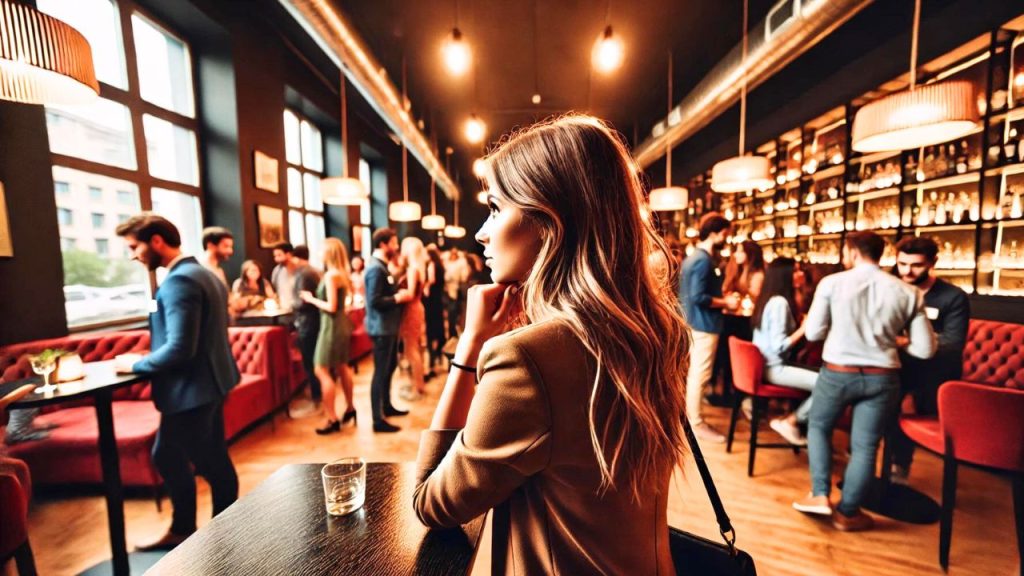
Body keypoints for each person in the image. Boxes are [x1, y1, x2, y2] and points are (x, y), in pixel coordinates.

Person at [413, 115, 689, 574]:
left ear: (549, 220)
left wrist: (470, 344)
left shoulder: (527, 359)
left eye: (497, 209)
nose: (481, 232)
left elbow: (432, 503)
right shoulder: (657, 332)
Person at [792, 231, 936, 532]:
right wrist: (898, 340)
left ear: (852, 252)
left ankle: (819, 494)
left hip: (838, 372)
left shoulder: (831, 283)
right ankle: (848, 513)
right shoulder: (909, 293)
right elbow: (925, 349)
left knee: (818, 426)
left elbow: (814, 333)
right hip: (882, 377)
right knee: (866, 445)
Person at [114, 214, 239, 551]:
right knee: (212, 458)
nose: (133, 255)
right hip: (212, 383)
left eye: (134, 246)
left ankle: (190, 530)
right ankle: (226, 530)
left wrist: (136, 364)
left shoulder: (180, 281)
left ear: (156, 241)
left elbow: (182, 349)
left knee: (172, 456)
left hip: (191, 390)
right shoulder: (203, 274)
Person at [890, 237, 970, 484]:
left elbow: (952, 344)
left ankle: (899, 466)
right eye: (902, 263)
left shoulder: (952, 297)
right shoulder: (892, 289)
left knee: (900, 398)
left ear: (933, 262)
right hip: (896, 365)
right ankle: (872, 460)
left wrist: (904, 342)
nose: (907, 271)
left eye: (916, 265)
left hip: (935, 370)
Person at [679, 212, 739, 443]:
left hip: (692, 321)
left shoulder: (693, 257)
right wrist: (726, 302)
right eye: (725, 233)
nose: (727, 238)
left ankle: (692, 419)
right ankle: (696, 423)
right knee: (699, 375)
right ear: (715, 233)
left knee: (693, 373)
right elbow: (698, 296)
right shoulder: (703, 260)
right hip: (703, 324)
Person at [750, 257, 819, 446]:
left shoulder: (769, 298)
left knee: (822, 377)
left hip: (763, 365)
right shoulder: (780, 302)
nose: (800, 274)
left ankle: (798, 423)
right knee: (827, 385)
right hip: (773, 368)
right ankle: (793, 421)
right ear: (785, 275)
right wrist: (803, 328)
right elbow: (779, 345)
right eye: (796, 270)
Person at [299, 238, 356, 434]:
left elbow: (331, 306)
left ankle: (332, 418)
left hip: (331, 325)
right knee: (342, 366)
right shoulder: (342, 274)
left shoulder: (331, 276)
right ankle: (350, 408)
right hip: (340, 323)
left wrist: (311, 299)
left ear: (328, 253)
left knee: (321, 369)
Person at [364, 228, 415, 433]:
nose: (396, 246)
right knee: (380, 372)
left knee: (390, 367)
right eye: (394, 243)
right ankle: (377, 419)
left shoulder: (381, 267)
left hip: (388, 327)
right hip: (381, 328)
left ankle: (387, 406)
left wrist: (396, 291)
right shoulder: (376, 269)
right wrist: (397, 298)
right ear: (383, 244)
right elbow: (374, 301)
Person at [398, 237, 428, 401]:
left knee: (411, 350)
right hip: (417, 307)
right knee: (415, 348)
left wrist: (396, 296)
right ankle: (419, 384)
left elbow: (409, 294)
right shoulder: (419, 268)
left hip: (411, 309)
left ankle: (418, 387)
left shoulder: (412, 270)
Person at [292, 244, 323, 404]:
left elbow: (304, 302)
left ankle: (316, 393)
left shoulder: (305, 274)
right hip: (314, 321)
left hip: (308, 323)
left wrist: (292, 305)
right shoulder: (313, 271)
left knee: (310, 360)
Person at [423, 244, 447, 377]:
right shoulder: (441, 265)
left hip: (432, 298)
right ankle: (439, 351)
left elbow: (431, 280)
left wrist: (424, 286)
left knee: (431, 325)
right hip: (438, 297)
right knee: (439, 325)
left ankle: (433, 353)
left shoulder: (432, 264)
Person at [270, 242, 297, 311]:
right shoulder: (277, 270)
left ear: (288, 254)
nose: (276, 259)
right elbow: (275, 287)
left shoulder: (299, 269)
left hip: (298, 309)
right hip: (284, 309)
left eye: (279, 255)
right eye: (275, 256)